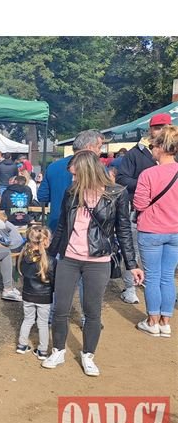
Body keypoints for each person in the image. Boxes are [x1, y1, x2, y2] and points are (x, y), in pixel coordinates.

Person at [43, 150, 144, 376]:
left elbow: (124, 230)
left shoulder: (117, 194)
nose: (73, 178)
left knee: (92, 311)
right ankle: (58, 350)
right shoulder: (72, 192)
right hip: (69, 257)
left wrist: (132, 264)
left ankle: (88, 354)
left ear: (87, 171)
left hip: (98, 260)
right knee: (60, 307)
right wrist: (50, 255)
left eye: (76, 174)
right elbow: (62, 226)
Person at [116, 113, 172, 305]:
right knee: (132, 251)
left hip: (169, 216)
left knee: (165, 264)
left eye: (165, 127)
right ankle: (130, 288)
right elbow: (121, 178)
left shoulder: (174, 152)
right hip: (138, 212)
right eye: (158, 127)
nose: (161, 131)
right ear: (150, 130)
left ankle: (160, 292)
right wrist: (146, 184)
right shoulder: (134, 153)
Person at [132, 125, 178, 337]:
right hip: (175, 231)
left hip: (151, 230)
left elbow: (139, 204)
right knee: (167, 277)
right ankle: (165, 322)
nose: (151, 149)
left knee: (153, 276)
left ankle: (152, 320)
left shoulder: (148, 174)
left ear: (160, 147)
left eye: (152, 145)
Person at [38, 130, 105, 233]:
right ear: (89, 147)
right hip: (85, 229)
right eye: (99, 147)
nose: (100, 151)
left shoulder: (53, 167)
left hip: (56, 224)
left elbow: (43, 196)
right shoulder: (98, 169)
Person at [16, 225, 55, 360]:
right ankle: (42, 350)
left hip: (27, 294)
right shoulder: (50, 260)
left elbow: (21, 273)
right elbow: (54, 280)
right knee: (43, 323)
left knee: (27, 320)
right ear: (46, 241)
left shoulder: (23, 257)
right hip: (45, 297)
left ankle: (22, 345)